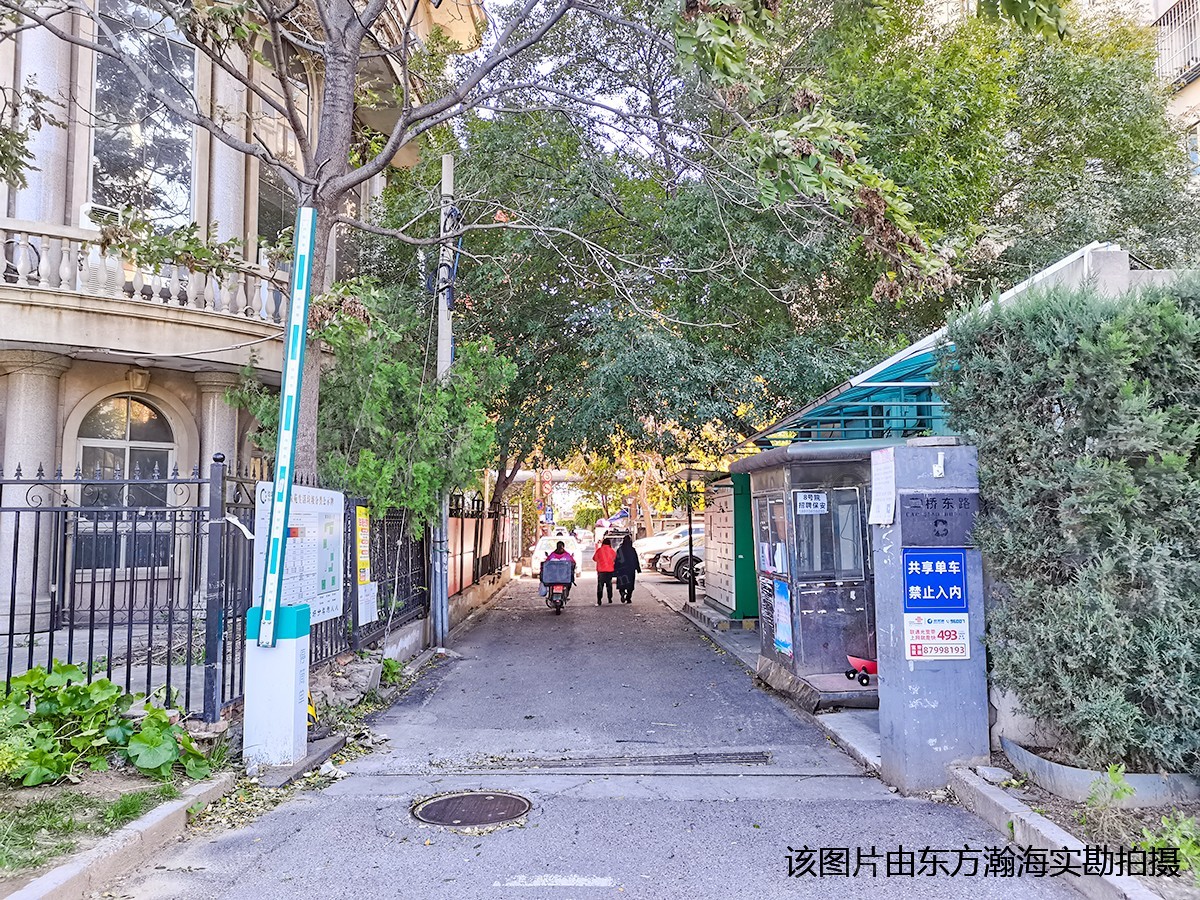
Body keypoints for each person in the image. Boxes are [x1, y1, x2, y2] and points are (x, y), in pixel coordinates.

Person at [614, 534, 641, 604]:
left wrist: (615, 569)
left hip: (621, 570)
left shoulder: (620, 549)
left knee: (621, 584)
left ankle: (622, 593)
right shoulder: (632, 550)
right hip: (630, 570)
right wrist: (638, 568)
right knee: (630, 585)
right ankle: (628, 598)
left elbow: (617, 560)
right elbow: (635, 559)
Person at [593, 539, 617, 605]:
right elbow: (615, 559)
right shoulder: (612, 551)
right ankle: (610, 598)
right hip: (609, 570)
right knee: (609, 585)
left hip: (601, 571)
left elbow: (594, 558)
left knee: (600, 585)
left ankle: (599, 600)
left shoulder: (599, 550)